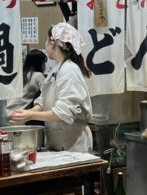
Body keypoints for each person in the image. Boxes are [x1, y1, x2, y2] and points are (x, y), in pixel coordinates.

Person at [10, 23, 93, 152]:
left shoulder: (69, 70)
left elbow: (63, 112)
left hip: (73, 146)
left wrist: (31, 115)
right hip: (58, 143)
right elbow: (43, 101)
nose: (45, 43)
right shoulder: (56, 69)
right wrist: (27, 113)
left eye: (46, 40)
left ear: (52, 42)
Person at [6, 49, 47, 122]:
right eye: (44, 63)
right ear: (39, 63)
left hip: (7, 113)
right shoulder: (38, 76)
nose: (45, 66)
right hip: (20, 115)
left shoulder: (20, 75)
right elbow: (47, 95)